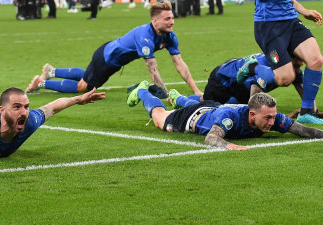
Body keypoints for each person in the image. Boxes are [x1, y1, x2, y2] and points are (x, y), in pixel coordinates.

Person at [25, 0, 203, 95]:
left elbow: (179, 63)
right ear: (154, 21)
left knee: (88, 75)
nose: (172, 22)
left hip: (111, 58)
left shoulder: (169, 36)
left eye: (172, 18)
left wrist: (196, 90)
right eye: (167, 19)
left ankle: (51, 71)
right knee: (84, 88)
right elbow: (153, 71)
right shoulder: (145, 37)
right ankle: (41, 82)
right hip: (106, 60)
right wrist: (165, 94)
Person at [127, 85, 323, 150]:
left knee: (206, 107)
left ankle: (178, 97)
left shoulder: (270, 116)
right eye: (268, 119)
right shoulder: (229, 118)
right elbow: (210, 138)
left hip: (212, 108)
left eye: (273, 118)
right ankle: (142, 91)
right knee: (160, 118)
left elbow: (301, 129)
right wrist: (230, 145)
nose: (273, 123)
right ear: (252, 114)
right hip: (193, 117)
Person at [176, 54, 304, 107]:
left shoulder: (293, 68)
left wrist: (308, 110)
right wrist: (254, 116)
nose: (301, 64)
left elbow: (304, 91)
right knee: (207, 107)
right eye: (298, 61)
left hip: (242, 86)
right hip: (224, 79)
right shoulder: (269, 65)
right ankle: (177, 98)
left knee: (234, 105)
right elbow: (256, 90)